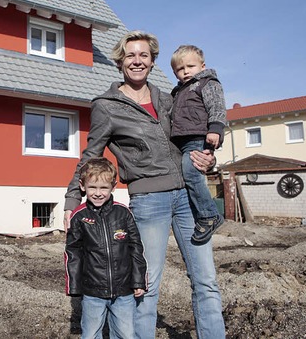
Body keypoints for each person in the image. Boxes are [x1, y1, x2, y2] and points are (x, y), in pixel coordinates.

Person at [64, 30, 225, 339]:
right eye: (130, 55)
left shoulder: (170, 98)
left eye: (143, 55)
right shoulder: (106, 106)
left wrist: (209, 159)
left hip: (188, 198)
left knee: (206, 282)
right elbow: (91, 154)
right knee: (146, 286)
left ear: (152, 61)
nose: (137, 61)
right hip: (150, 200)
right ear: (120, 61)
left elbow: (194, 137)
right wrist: (74, 198)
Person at [65, 157, 147, 339]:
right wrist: (74, 285)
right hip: (92, 292)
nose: (98, 193)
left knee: (126, 334)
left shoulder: (124, 213)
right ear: (82, 185)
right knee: (91, 334)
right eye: (92, 187)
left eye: (104, 188)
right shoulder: (79, 216)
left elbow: (136, 248)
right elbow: (73, 252)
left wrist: (139, 280)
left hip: (124, 291)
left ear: (113, 187)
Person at [170, 44, 227, 243]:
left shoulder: (206, 83)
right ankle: (200, 213)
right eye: (180, 69)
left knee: (192, 174)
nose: (185, 71)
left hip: (199, 136)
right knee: (189, 176)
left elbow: (217, 107)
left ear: (202, 66)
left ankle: (209, 215)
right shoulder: (178, 91)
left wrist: (216, 129)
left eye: (190, 66)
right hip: (184, 139)